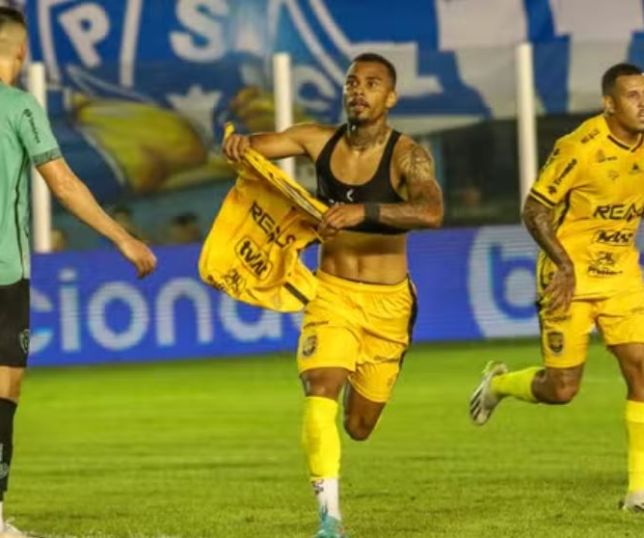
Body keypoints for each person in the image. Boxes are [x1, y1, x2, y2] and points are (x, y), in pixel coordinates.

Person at [224, 52, 444, 537]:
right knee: (320, 387)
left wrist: (361, 212)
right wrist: (239, 144)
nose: (358, 90)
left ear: (391, 97)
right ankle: (330, 520)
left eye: (372, 83)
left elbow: (430, 211)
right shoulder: (316, 139)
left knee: (359, 426)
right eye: (351, 82)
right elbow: (258, 148)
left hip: (388, 305)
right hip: (331, 294)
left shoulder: (407, 154)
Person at [0, 8, 157, 536]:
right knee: (3, 391)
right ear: (22, 51)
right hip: (3, 274)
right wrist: (123, 237)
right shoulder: (19, 106)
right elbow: (63, 185)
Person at [469, 63, 644, 511]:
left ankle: (638, 492)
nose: (643, 103)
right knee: (562, 389)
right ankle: (500, 384)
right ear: (609, 103)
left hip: (622, 275)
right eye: (633, 95)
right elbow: (534, 209)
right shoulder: (579, 147)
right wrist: (564, 264)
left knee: (642, 368)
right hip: (569, 277)